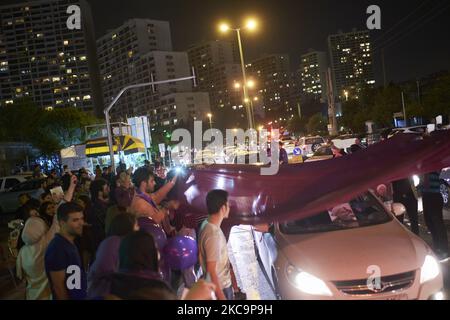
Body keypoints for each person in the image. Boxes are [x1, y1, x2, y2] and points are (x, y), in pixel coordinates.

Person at [198, 190, 241, 300]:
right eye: (228, 205)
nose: (229, 208)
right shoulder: (213, 234)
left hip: (220, 285)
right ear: (222, 208)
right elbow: (211, 270)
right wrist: (221, 297)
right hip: (221, 287)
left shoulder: (207, 223)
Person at [87, 213, 138, 298]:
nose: (138, 229)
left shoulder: (121, 243)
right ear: (127, 226)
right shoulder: (113, 242)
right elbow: (110, 271)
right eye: (136, 225)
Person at [45, 202, 87, 300]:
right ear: (62, 223)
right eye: (75, 220)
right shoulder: (57, 248)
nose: (81, 223)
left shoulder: (69, 243)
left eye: (82, 218)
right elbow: (59, 288)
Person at [16, 211, 59, 299]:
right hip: (48, 294)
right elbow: (56, 224)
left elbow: (20, 275)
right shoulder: (46, 245)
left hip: (32, 294)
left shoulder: (23, 251)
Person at [419, 172, 449, 259]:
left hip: (434, 196)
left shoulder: (433, 167)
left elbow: (442, 178)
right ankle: (437, 247)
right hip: (426, 196)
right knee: (430, 223)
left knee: (438, 223)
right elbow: (423, 184)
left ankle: (444, 250)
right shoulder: (423, 171)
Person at [87, 179, 109, 253]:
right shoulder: (98, 207)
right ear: (99, 192)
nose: (108, 190)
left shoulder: (97, 204)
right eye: (106, 189)